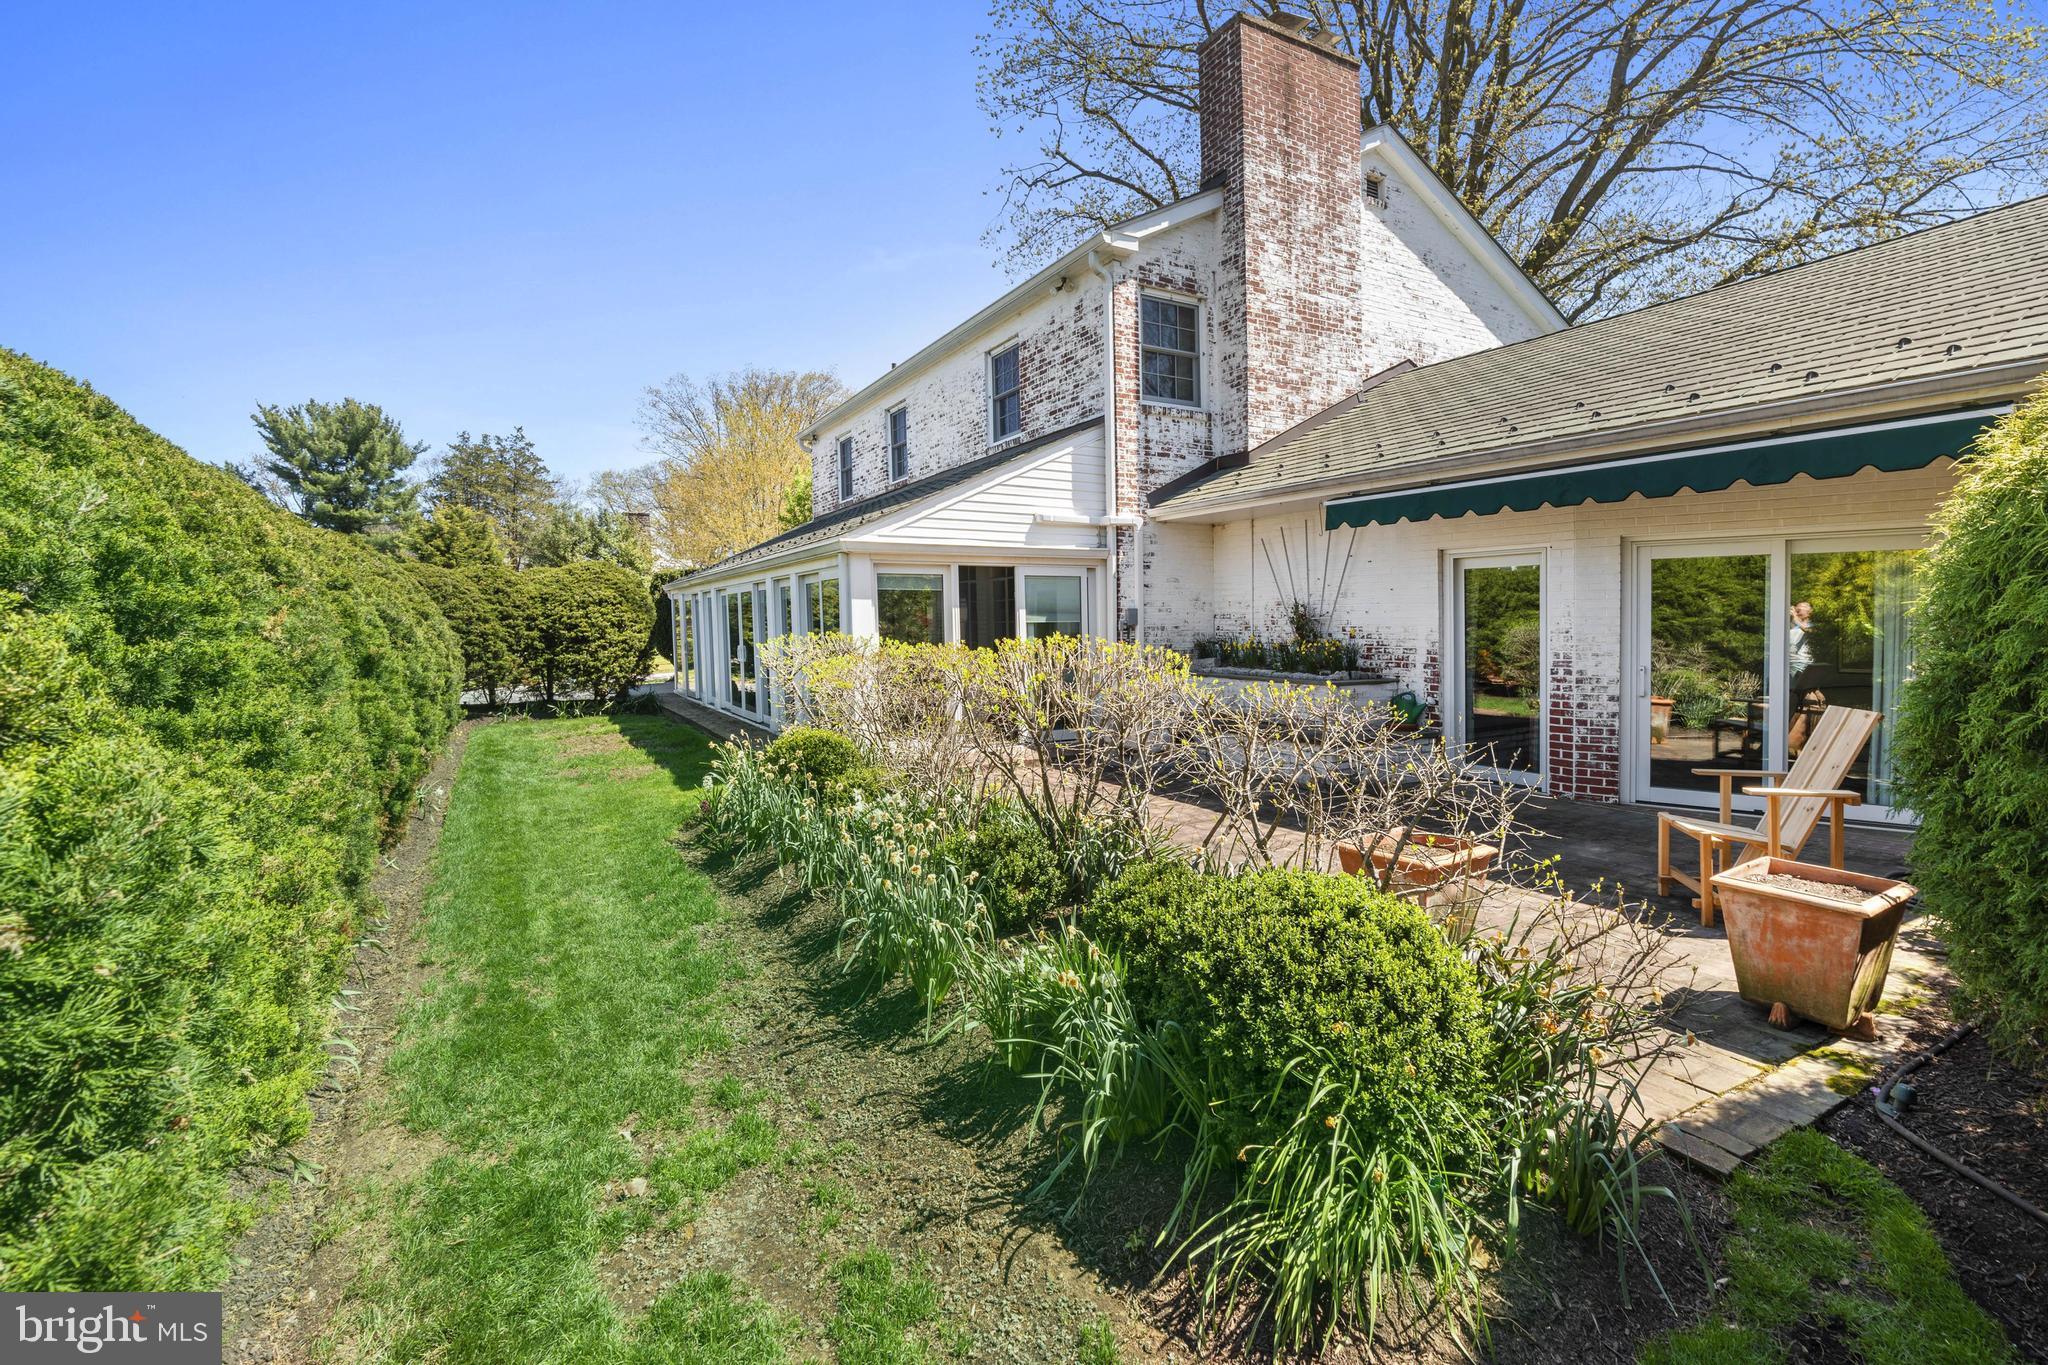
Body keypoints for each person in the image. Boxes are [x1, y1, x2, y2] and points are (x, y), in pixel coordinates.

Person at [1787, 600, 1825, 754]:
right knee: (1793, 706)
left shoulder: (1814, 627)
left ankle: (1802, 743)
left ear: (1810, 611)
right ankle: (1789, 742)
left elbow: (1810, 633)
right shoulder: (1792, 626)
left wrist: (1795, 619)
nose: (1797, 611)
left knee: (1810, 704)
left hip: (1805, 669)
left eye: (1801, 609)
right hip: (1790, 671)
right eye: (1796, 609)